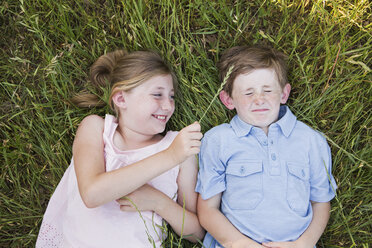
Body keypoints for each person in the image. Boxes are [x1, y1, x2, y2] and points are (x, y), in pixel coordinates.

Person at [36, 50, 205, 247]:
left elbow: (196, 233)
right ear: (121, 99)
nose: (168, 106)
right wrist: (169, 157)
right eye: (157, 95)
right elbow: (92, 194)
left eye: (172, 96)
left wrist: (158, 202)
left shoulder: (177, 148)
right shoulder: (97, 129)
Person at [195, 46, 337, 248]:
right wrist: (239, 244)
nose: (259, 99)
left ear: (284, 93)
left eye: (267, 90)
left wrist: (303, 244)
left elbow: (321, 202)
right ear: (228, 100)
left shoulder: (311, 141)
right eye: (248, 92)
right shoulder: (218, 140)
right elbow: (207, 209)